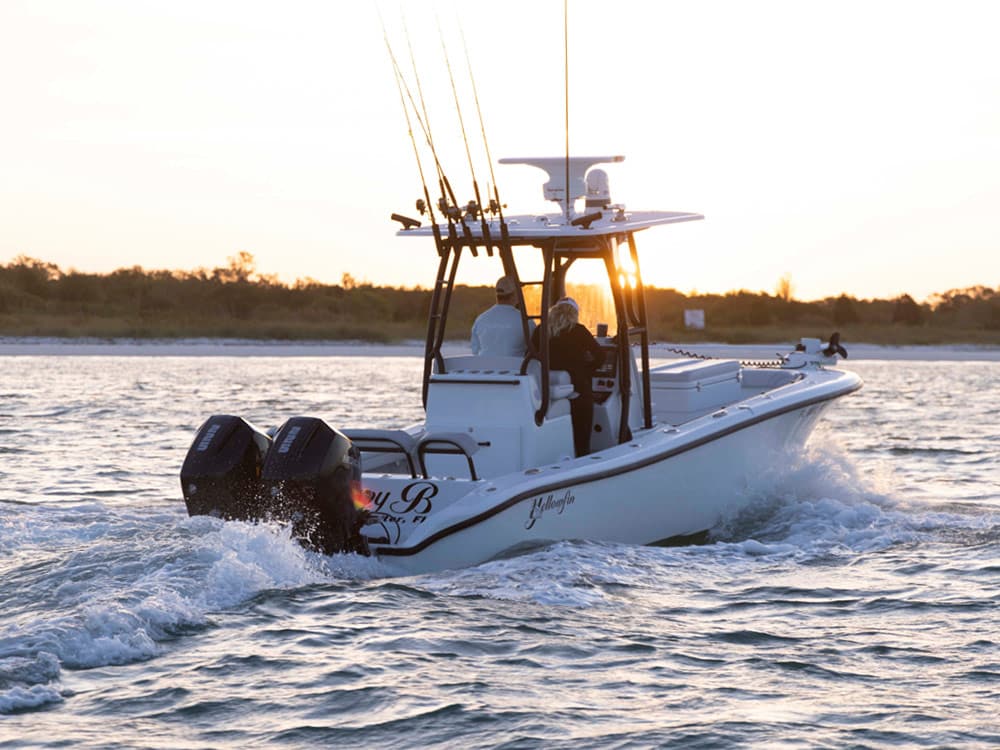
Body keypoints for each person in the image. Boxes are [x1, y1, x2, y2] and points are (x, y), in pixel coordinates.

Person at [530, 297, 605, 457]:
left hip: (544, 390)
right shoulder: (579, 331)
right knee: (582, 437)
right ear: (574, 314)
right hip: (577, 388)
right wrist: (586, 370)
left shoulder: (540, 330)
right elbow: (600, 357)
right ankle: (583, 458)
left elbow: (530, 357)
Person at [470, 276, 535, 356]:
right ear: (515, 294)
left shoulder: (480, 320)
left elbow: (475, 351)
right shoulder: (527, 321)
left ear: (497, 295)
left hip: (486, 367)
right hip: (516, 368)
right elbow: (534, 350)